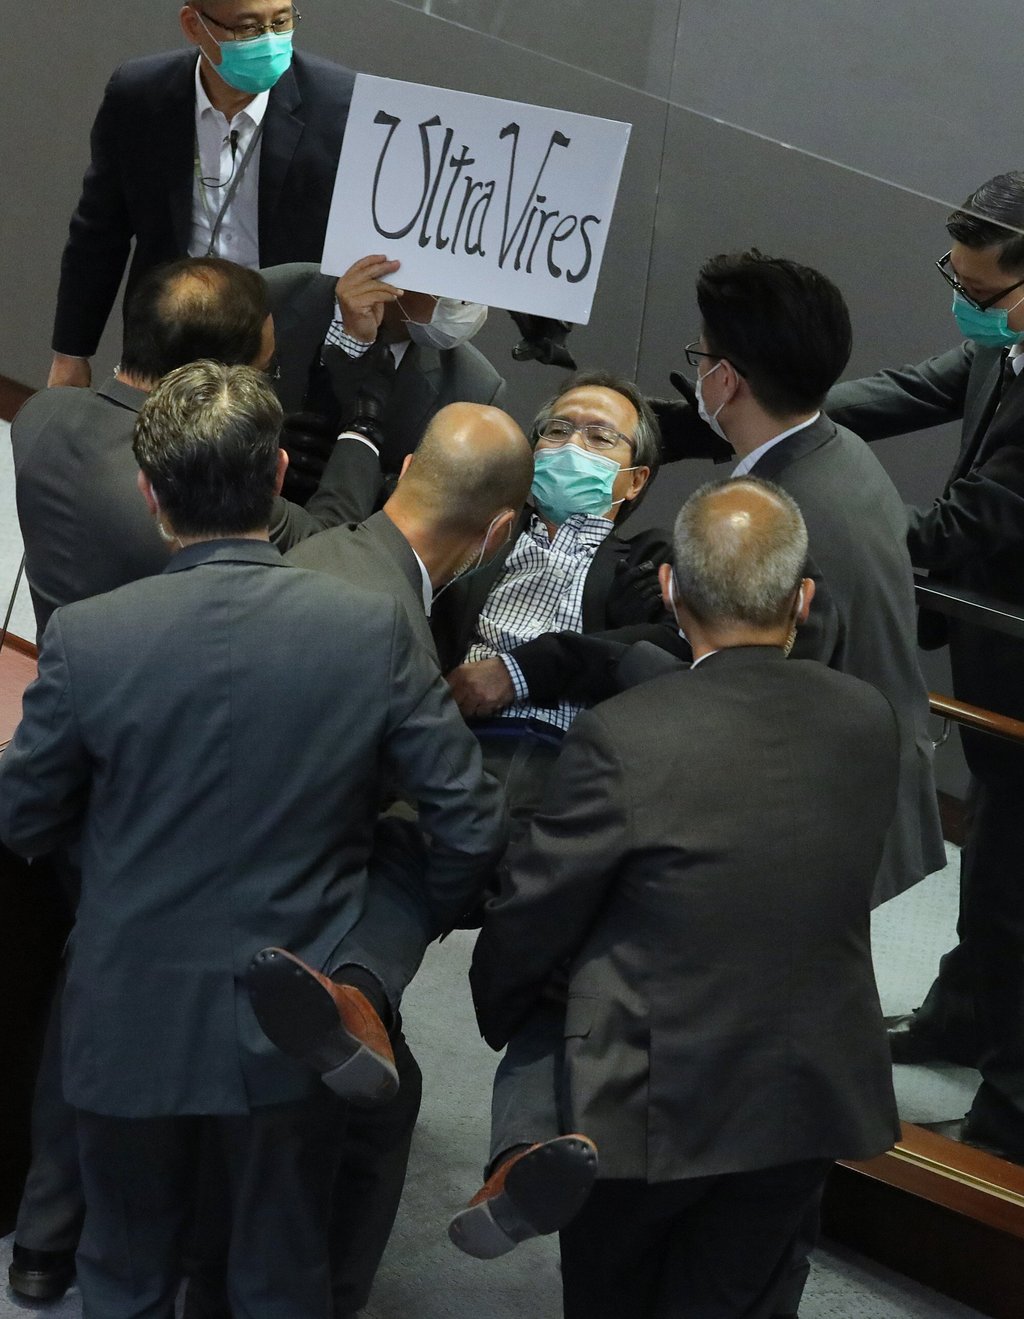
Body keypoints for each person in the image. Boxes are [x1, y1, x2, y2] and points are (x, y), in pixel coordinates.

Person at [0, 361, 505, 1319]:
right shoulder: (372, 629)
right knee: (278, 1274)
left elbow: (22, 818)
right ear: (277, 474)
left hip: (125, 1018)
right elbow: (472, 823)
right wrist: (374, 948)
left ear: (149, 491)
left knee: (125, 1274)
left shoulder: (88, 638)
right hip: (295, 1028)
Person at [466, 477, 902, 1319]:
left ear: (669, 591)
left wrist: (509, 1011)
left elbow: (534, 913)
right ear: (802, 598)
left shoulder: (625, 734)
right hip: (808, 1091)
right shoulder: (869, 719)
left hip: (649, 1104)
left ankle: (514, 1152)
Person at [825, 171, 1024, 1162]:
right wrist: (786, 406)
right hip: (1000, 657)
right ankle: (965, 1013)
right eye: (956, 278)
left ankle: (1013, 1109)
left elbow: (959, 528)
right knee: (997, 845)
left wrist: (821, 502)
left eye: (981, 293)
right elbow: (911, 388)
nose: (964, 304)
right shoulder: (1002, 339)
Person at [14, 256, 365, 643]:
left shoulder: (39, 415)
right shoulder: (206, 484)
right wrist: (362, 430)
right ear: (211, 381)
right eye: (266, 371)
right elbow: (333, 547)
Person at [49, 1, 354, 389]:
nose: (270, 41)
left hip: (276, 347)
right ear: (194, 25)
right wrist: (71, 354)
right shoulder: (139, 94)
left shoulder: (338, 104)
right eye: (248, 28)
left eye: (281, 21)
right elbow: (98, 232)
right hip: (170, 340)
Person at [264, 255, 505, 487]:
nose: (470, 303)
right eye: (455, 284)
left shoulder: (476, 391)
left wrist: (375, 484)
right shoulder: (268, 296)